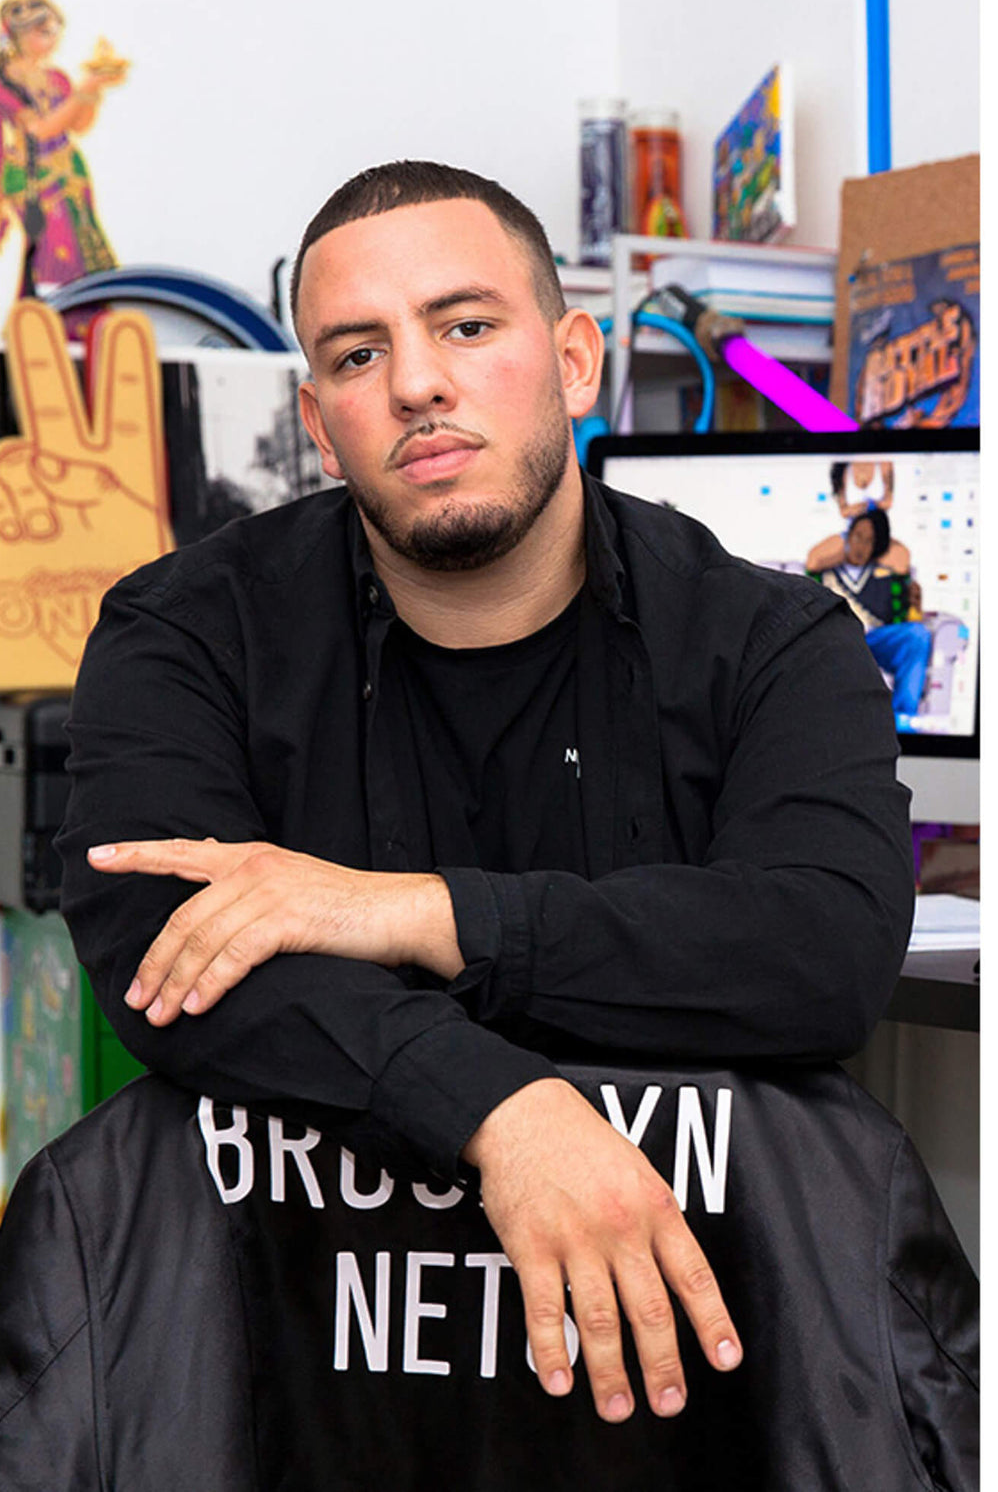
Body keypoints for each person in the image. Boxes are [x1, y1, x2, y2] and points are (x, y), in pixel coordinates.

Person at [57, 160, 914, 1431]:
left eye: (465, 326)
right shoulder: (185, 633)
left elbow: (822, 949)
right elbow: (160, 948)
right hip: (294, 1384)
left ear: (574, 360)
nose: (414, 383)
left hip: (692, 1383)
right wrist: (502, 1110)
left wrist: (407, 914)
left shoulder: (769, 641)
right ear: (317, 416)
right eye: (357, 355)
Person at [0, 0, 125, 299]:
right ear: (20, 35)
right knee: (55, 248)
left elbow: (78, 125)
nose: (54, 39)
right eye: (44, 32)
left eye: (56, 31)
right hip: (31, 177)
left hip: (69, 167)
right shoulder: (0, 84)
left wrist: (92, 91)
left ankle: (86, 311)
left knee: (84, 246)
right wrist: (83, 90)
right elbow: (39, 130)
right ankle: (51, 310)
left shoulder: (57, 77)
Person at [806, 507, 932, 726]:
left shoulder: (886, 576)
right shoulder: (823, 571)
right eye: (857, 536)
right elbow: (813, 562)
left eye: (869, 541)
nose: (860, 546)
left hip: (874, 641)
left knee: (918, 635)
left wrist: (914, 607)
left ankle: (901, 719)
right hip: (836, 642)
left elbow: (902, 621)